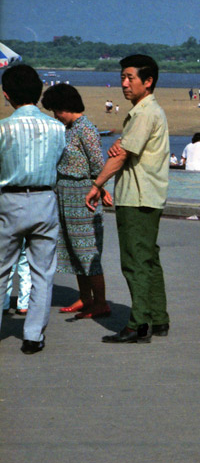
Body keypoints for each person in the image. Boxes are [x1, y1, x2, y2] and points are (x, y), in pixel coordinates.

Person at [85, 54, 170, 344]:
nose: (124, 83)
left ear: (148, 82)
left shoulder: (145, 113)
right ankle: (157, 318)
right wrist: (120, 147)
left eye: (130, 78)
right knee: (148, 260)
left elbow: (121, 154)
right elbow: (123, 149)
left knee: (134, 262)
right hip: (148, 194)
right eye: (123, 77)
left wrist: (97, 184)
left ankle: (139, 324)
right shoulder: (146, 112)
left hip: (138, 197)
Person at [0, 64, 66, 354]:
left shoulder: (3, 128)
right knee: (42, 272)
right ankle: (33, 336)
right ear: (39, 92)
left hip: (10, 201)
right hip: (45, 201)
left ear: (6, 95)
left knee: (1, 271)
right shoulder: (57, 127)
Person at [41, 83, 110, 319]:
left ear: (65, 107)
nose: (55, 116)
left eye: (56, 111)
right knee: (73, 249)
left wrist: (98, 188)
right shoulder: (69, 128)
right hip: (65, 193)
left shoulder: (85, 128)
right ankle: (86, 298)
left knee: (87, 250)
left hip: (82, 194)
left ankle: (100, 302)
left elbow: (98, 165)